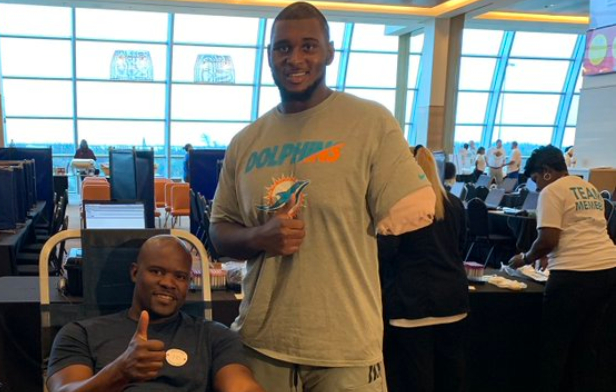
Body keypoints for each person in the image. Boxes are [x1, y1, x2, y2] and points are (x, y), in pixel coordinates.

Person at [209, 2, 435, 390]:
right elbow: (218, 231)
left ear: (330, 52)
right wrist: (257, 237)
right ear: (269, 56)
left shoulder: (370, 122)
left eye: (308, 46)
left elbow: (416, 209)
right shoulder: (245, 142)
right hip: (261, 342)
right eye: (283, 48)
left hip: (345, 348)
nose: (294, 58)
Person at [46, 235, 265, 392]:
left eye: (180, 277)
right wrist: (121, 372)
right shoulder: (80, 334)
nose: (168, 283)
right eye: (157, 271)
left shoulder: (215, 336)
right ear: (135, 272)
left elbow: (241, 385)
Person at [507, 145, 616, 392]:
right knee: (585, 347)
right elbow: (581, 230)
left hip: (574, 276)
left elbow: (548, 240)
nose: (536, 187)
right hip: (608, 269)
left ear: (546, 171)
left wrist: (524, 258)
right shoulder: (588, 188)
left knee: (554, 350)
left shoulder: (552, 191)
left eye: (535, 179)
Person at [379, 145, 469, 392]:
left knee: (412, 381)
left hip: (410, 306)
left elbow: (385, 253)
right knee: (450, 379)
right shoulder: (455, 204)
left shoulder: (398, 206)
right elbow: (460, 246)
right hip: (452, 303)